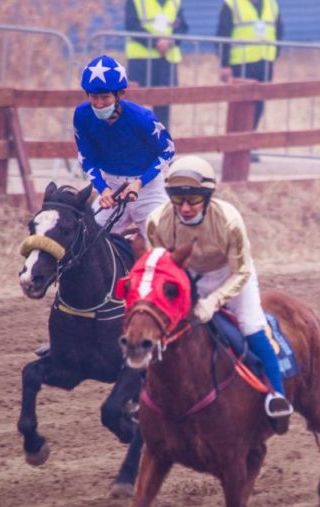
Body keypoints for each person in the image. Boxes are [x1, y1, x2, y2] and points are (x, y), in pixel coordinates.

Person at [145, 155, 295, 421]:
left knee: (250, 325)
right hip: (189, 276)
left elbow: (242, 271)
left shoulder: (229, 220)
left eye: (193, 199)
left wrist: (212, 302)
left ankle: (276, 394)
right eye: (178, 199)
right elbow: (163, 269)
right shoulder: (157, 222)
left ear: (208, 196)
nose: (185, 207)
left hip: (232, 274)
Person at [74, 54, 175, 239]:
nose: (98, 104)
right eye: (93, 97)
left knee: (165, 242)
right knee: (88, 241)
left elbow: (167, 150)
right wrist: (102, 188)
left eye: (105, 98)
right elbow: (86, 157)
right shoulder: (82, 115)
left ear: (120, 94)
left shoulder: (142, 118)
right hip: (111, 188)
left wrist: (140, 182)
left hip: (148, 189)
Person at [216, 0, 283, 142]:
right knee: (240, 106)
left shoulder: (271, 4)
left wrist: (274, 54)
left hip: (264, 62)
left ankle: (250, 141)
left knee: (259, 103)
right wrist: (225, 64)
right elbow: (222, 35)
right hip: (241, 63)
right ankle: (237, 143)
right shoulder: (232, 4)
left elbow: (279, 31)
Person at [124, 0, 189, 128]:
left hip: (167, 61)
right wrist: (155, 42)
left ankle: (161, 144)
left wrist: (170, 42)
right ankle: (134, 143)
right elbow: (131, 25)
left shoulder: (175, 2)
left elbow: (183, 27)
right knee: (135, 105)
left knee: (163, 106)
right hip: (141, 60)